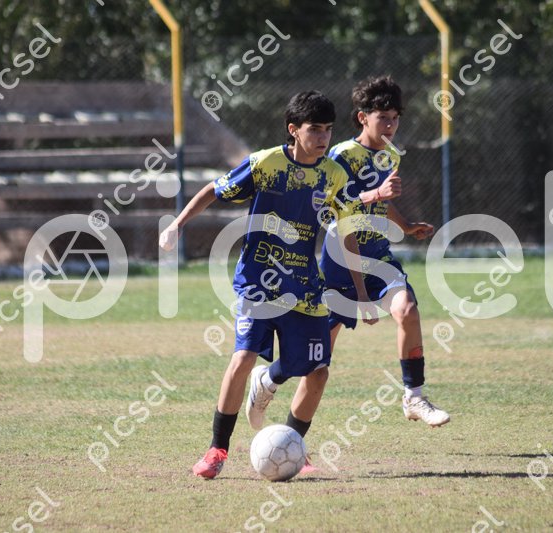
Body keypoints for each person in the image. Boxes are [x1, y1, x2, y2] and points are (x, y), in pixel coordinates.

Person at [159, 90, 376, 479]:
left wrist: (361, 293)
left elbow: (347, 232)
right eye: (314, 129)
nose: (323, 137)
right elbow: (214, 189)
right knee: (243, 358)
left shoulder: (334, 175)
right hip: (258, 282)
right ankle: (216, 450)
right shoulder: (265, 164)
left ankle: (293, 444)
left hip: (304, 286)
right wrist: (176, 225)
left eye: (328, 129)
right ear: (293, 130)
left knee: (318, 371)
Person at [310, 75, 450, 427]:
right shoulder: (342, 155)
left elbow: (382, 203)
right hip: (341, 259)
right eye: (383, 118)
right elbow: (335, 208)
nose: (391, 125)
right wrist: (377, 194)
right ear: (363, 118)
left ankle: (414, 396)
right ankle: (269, 381)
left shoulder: (389, 155)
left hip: (378, 254)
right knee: (315, 361)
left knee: (408, 310)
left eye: (395, 118)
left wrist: (406, 225)